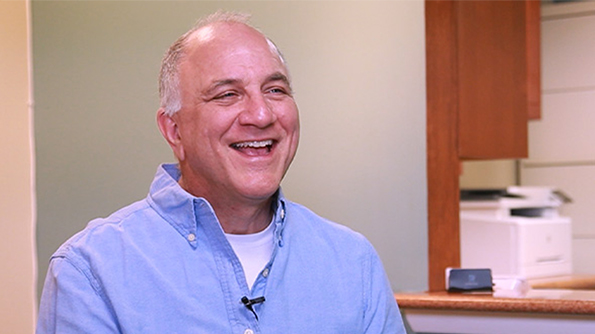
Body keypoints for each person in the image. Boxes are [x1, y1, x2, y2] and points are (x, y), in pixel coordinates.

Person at [36, 12, 406, 333]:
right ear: (174, 131)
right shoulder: (91, 272)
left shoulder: (353, 263)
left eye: (275, 89)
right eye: (227, 95)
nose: (261, 115)